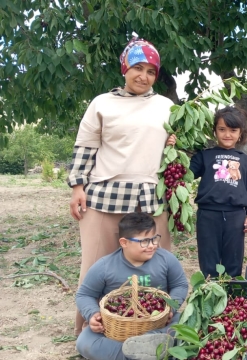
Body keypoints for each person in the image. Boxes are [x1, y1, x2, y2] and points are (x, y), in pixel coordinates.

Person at [67, 35, 177, 336]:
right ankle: (91, 330)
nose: (144, 76)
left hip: (151, 196)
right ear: (124, 69)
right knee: (97, 264)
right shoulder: (102, 103)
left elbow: (177, 151)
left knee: (157, 264)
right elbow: (85, 147)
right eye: (137, 68)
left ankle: (156, 331)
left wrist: (174, 143)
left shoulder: (166, 106)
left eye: (151, 71)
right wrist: (78, 188)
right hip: (104, 195)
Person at [75, 212, 189, 360]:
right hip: (118, 328)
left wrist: (171, 308)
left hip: (158, 323)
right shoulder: (105, 266)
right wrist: (93, 313)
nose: (152, 245)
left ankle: (148, 344)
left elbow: (179, 284)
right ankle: (139, 353)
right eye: (144, 241)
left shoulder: (166, 259)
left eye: (154, 239)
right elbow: (84, 294)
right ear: (124, 242)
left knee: (187, 324)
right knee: (85, 343)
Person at [189, 106, 247, 278]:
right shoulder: (204, 156)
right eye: (222, 129)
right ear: (215, 131)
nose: (227, 134)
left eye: (233, 130)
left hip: (236, 216)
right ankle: (209, 294)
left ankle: (232, 297)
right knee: (208, 259)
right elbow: (186, 173)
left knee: (233, 261)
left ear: (240, 133)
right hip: (208, 215)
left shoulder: (245, 160)